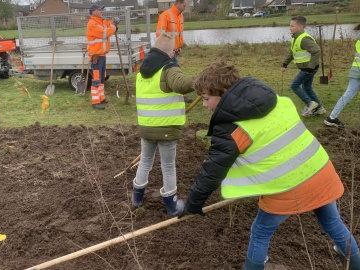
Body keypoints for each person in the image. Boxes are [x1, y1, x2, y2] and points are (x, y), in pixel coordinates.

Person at [179, 60, 360, 270]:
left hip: (288, 186)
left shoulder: (231, 130)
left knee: (261, 231)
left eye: (207, 99)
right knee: (333, 223)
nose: (204, 105)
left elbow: (211, 172)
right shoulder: (278, 101)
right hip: (320, 171)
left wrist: (192, 205)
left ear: (225, 91)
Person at [132, 33, 195, 216]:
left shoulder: (142, 71)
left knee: (145, 161)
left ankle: (136, 198)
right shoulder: (168, 68)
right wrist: (204, 80)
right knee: (167, 165)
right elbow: (182, 85)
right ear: (171, 52)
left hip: (146, 127)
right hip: (166, 128)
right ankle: (172, 205)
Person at [281, 16, 326, 117]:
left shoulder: (304, 39)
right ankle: (319, 108)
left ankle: (310, 104)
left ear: (300, 27)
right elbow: (292, 52)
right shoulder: (295, 38)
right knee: (307, 87)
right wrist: (285, 64)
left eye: (292, 26)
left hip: (309, 69)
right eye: (290, 26)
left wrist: (310, 67)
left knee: (294, 85)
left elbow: (317, 51)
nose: (290, 28)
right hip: (306, 68)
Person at [156, 0, 192, 103]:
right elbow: (160, 35)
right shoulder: (165, 15)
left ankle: (172, 92)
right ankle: (181, 95)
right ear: (178, 3)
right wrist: (169, 49)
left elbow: (178, 34)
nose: (185, 7)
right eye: (184, 5)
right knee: (176, 72)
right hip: (167, 51)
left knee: (170, 72)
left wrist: (178, 47)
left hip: (174, 50)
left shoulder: (180, 16)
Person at [324, 26, 360, 127]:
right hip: (357, 70)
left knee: (347, 94)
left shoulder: (358, 37)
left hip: (355, 70)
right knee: (348, 94)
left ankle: (331, 118)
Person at [85, 4, 120, 110]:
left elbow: (107, 23)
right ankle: (95, 101)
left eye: (101, 9)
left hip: (102, 55)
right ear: (93, 12)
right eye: (99, 10)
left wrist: (113, 20)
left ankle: (101, 97)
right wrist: (114, 26)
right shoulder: (92, 24)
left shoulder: (100, 22)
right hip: (96, 56)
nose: (101, 11)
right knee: (96, 79)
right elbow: (105, 33)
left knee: (101, 78)